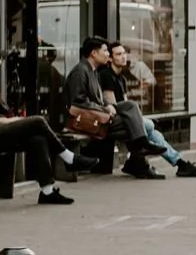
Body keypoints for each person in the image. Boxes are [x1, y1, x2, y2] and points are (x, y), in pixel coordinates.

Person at [0, 45, 76, 205]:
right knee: (38, 121)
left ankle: (47, 191)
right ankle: (68, 157)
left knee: (38, 140)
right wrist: (9, 122)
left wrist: (14, 119)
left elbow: (1, 110)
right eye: (0, 61)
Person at [66, 37, 163, 179]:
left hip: (97, 115)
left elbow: (99, 98)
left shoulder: (93, 71)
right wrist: (105, 109)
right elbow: (78, 102)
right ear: (94, 53)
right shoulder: (80, 71)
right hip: (85, 120)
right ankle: (140, 160)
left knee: (130, 106)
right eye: (105, 51)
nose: (107, 54)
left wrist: (107, 105)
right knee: (130, 125)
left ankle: (141, 149)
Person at [105, 43, 196, 178]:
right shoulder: (106, 75)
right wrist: (138, 120)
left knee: (150, 129)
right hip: (112, 122)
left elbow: (125, 103)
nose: (123, 57)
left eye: (124, 53)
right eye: (118, 54)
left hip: (125, 120)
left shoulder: (121, 78)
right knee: (149, 126)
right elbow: (114, 107)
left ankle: (173, 163)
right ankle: (144, 162)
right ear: (110, 58)